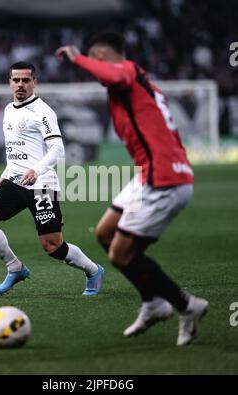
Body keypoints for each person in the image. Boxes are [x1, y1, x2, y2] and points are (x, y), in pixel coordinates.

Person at [55, 32, 209, 346]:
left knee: (120, 254)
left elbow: (113, 72)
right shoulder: (137, 82)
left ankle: (186, 306)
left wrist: (76, 58)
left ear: (100, 56)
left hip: (164, 180)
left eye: (94, 61)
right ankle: (153, 304)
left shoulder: (125, 71)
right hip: (149, 175)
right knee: (104, 233)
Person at [0, 61, 104, 297]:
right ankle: (15, 268)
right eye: (16, 80)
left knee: (52, 246)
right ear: (9, 82)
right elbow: (16, 149)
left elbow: (57, 149)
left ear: (35, 82)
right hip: (14, 181)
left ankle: (93, 271)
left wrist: (37, 170)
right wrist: (3, 176)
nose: (20, 84)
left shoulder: (43, 112)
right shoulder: (9, 110)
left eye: (26, 80)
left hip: (42, 185)